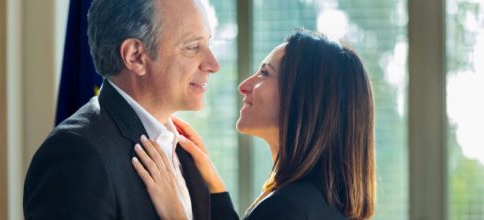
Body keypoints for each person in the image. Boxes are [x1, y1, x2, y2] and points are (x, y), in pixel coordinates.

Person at [132, 30, 376, 219]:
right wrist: (212, 182)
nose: (244, 85)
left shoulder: (286, 208)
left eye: (265, 73)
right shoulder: (324, 201)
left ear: (302, 99)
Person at [23, 0, 220, 219]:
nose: (213, 64)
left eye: (208, 44)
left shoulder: (184, 147)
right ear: (135, 56)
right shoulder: (77, 155)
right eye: (193, 47)